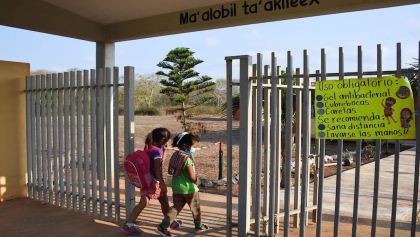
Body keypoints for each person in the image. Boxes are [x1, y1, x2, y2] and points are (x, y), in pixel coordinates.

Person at [122, 127, 181, 235]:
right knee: (160, 201)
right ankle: (168, 222)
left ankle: (129, 224)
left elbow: (158, 160)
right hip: (154, 182)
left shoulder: (149, 147)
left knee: (148, 202)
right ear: (164, 140)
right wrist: (162, 183)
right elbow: (157, 169)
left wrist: (165, 150)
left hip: (146, 180)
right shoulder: (157, 153)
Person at [157, 132, 210, 237]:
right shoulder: (188, 159)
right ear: (186, 146)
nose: (195, 149)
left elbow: (170, 170)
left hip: (177, 187)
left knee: (176, 208)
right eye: (194, 147)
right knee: (195, 208)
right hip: (189, 189)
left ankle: (163, 226)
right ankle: (198, 225)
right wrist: (198, 182)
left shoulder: (176, 155)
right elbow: (192, 176)